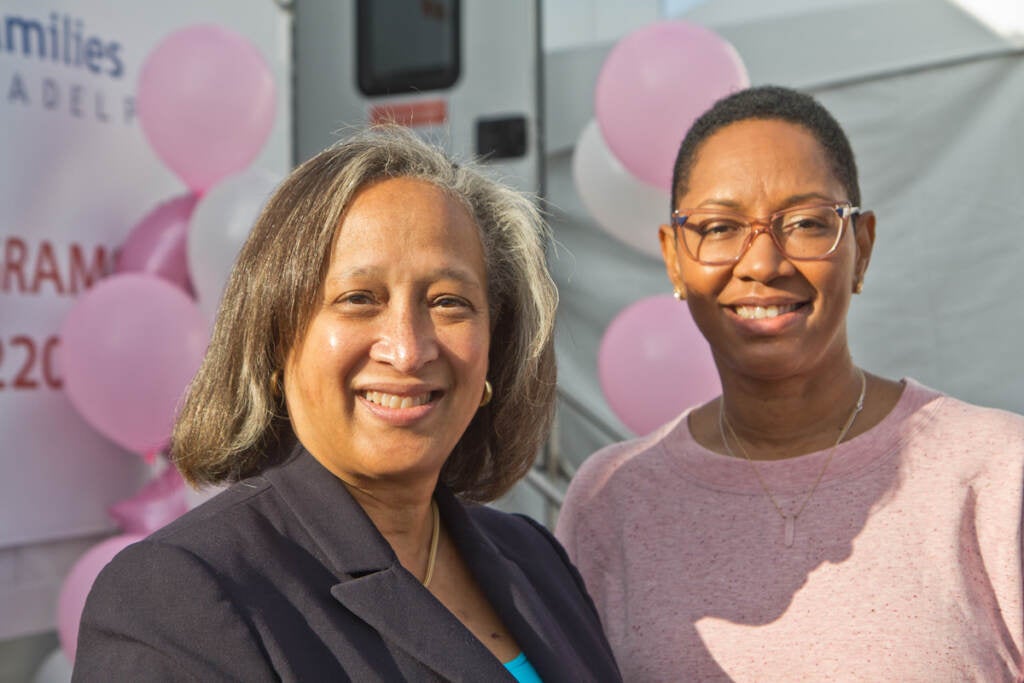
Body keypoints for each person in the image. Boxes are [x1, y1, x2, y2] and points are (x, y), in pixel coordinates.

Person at [73, 125, 622, 682]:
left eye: (449, 302)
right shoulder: (179, 595)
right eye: (359, 299)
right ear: (276, 337)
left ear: (494, 348)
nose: (407, 350)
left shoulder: (535, 559)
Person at [556, 85, 1024, 680]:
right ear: (675, 258)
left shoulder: (999, 473)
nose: (763, 263)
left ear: (863, 246)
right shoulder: (612, 502)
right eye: (720, 228)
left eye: (805, 223)